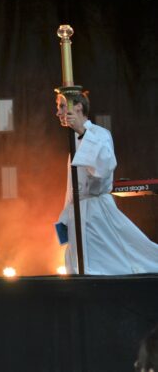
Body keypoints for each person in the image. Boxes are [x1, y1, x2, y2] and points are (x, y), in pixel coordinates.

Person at [55, 92, 158, 274]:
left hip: (96, 213)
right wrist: (65, 218)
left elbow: (104, 167)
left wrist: (83, 132)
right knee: (81, 266)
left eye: (62, 106)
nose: (58, 113)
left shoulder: (98, 134)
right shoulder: (74, 142)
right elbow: (72, 190)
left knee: (115, 262)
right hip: (79, 215)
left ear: (78, 106)